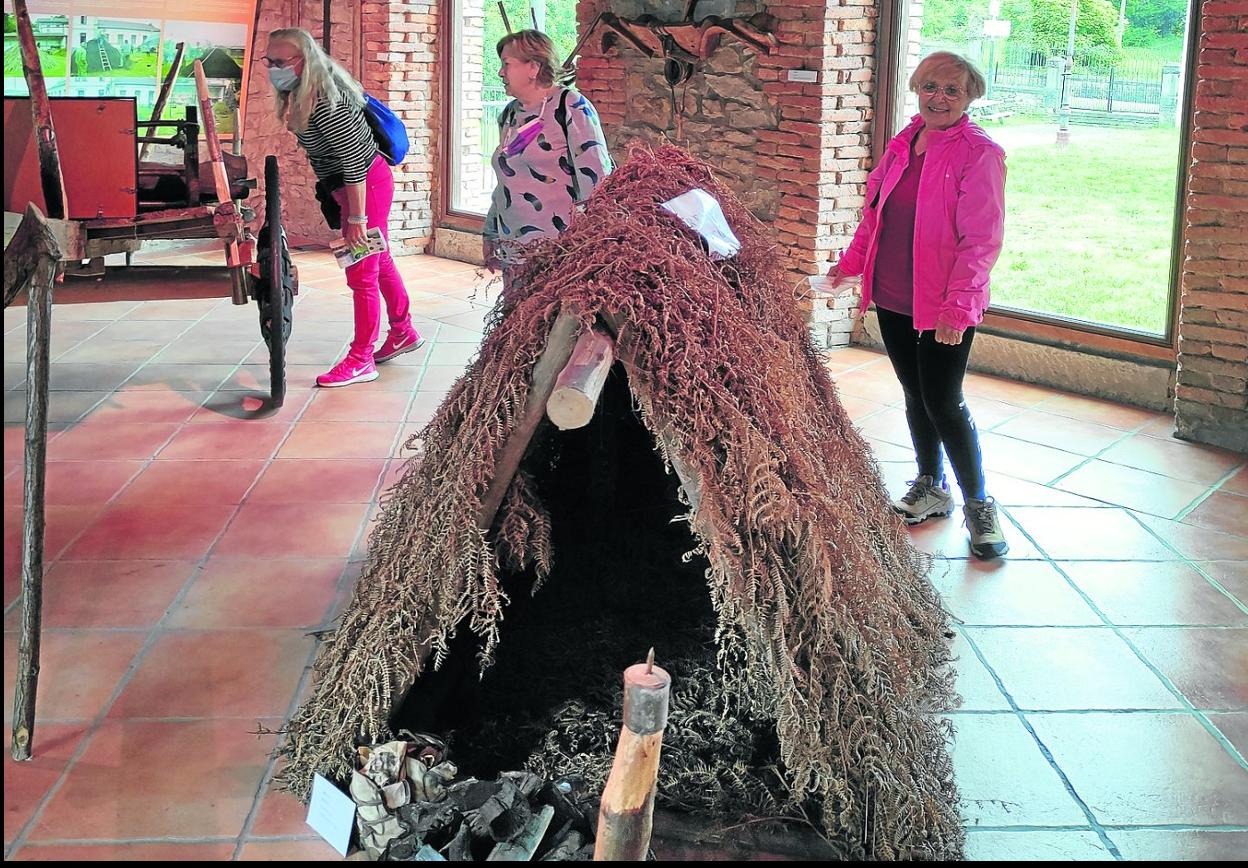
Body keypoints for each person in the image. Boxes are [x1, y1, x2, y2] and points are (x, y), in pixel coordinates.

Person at [829, 51, 1008, 560]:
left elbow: (981, 241)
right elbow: (875, 215)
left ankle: (978, 504)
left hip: (943, 302)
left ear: (971, 96)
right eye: (930, 87)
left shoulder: (980, 153)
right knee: (915, 394)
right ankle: (931, 486)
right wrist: (850, 266)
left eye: (952, 90)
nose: (939, 97)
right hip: (892, 292)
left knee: (944, 401)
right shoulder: (903, 142)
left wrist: (958, 309)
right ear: (916, 89)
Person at [264, 27, 423, 388]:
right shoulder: (301, 91)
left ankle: (361, 358)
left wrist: (357, 218)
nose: (273, 68)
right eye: (269, 61)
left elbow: (354, 161)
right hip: (351, 188)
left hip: (364, 186)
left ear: (303, 62)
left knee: (361, 273)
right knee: (378, 260)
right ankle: (403, 331)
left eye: (280, 61)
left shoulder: (324, 98)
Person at [482, 30, 612, 281]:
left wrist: (594, 247)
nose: (500, 72)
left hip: (559, 251)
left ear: (533, 67)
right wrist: (490, 233)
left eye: (506, 64)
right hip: (515, 249)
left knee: (550, 319)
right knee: (517, 318)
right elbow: (506, 181)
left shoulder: (571, 106)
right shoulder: (511, 114)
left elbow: (597, 180)